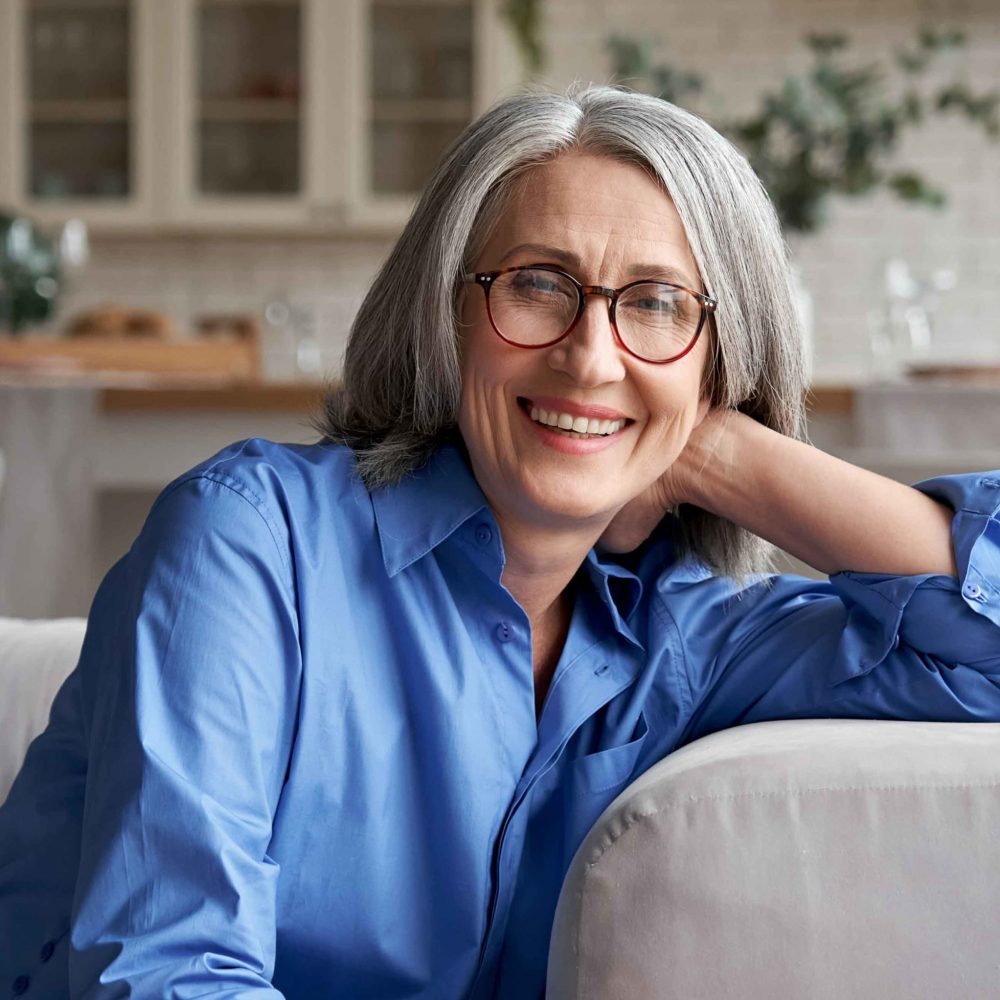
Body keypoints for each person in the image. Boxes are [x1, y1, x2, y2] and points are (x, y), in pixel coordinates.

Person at [1, 84, 998, 999]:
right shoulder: (252, 541)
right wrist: (658, 402)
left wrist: (723, 452)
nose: (588, 354)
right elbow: (163, 973)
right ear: (450, 314)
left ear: (722, 360)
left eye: (655, 303)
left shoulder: (688, 640)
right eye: (537, 283)